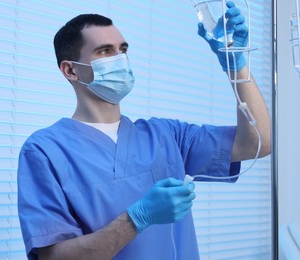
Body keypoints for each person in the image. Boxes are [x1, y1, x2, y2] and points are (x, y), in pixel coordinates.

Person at [17, 2, 271, 259]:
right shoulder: (44, 151)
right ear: (71, 70)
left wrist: (236, 64)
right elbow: (53, 257)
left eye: (123, 49)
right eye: (105, 51)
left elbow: (257, 142)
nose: (120, 59)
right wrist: (136, 218)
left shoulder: (166, 136)